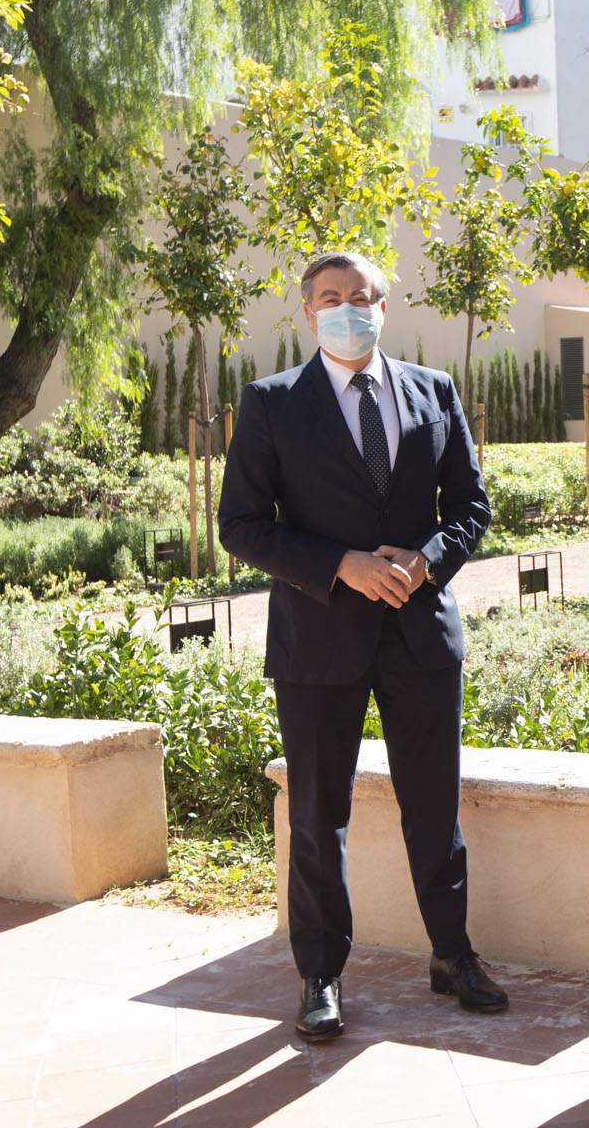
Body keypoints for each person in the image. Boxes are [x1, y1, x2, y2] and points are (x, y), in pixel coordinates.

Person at [217, 250, 507, 1046]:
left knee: (434, 806)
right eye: (331, 298)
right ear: (308, 313)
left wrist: (429, 559)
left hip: (420, 633)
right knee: (317, 813)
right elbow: (240, 524)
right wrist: (337, 565)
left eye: (362, 297)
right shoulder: (272, 402)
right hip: (319, 637)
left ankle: (453, 954)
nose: (348, 308)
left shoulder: (433, 390)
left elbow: (472, 506)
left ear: (385, 306)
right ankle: (321, 973)